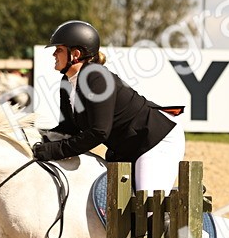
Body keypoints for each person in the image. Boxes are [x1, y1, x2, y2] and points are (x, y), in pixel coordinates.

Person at [31, 20, 183, 194]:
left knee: (147, 208)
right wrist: (40, 139)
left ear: (75, 54)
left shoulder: (97, 78)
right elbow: (68, 128)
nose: (54, 55)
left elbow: (98, 132)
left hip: (155, 141)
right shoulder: (67, 82)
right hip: (126, 147)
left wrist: (54, 151)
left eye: (59, 49)